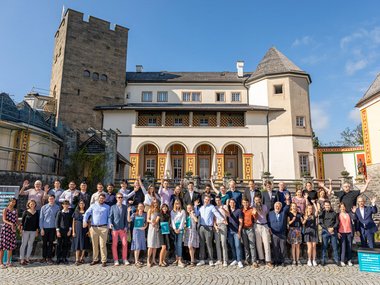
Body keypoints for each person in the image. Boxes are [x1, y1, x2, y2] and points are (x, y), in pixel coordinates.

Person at [195, 194, 225, 267]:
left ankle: (210, 260)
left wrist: (222, 219)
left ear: (210, 201)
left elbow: (216, 213)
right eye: (205, 199)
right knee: (202, 244)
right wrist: (195, 206)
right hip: (201, 227)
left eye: (208, 200)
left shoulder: (211, 207)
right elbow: (196, 214)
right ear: (203, 200)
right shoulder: (201, 207)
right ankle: (202, 259)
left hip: (209, 228)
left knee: (209, 244)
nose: (206, 201)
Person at [83, 193, 110, 267]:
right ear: (98, 198)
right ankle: (95, 259)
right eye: (100, 198)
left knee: (102, 245)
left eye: (103, 198)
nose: (101, 199)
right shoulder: (93, 206)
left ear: (104, 199)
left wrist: (109, 225)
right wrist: (85, 221)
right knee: (94, 245)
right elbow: (87, 213)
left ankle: (104, 260)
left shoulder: (107, 207)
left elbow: (109, 217)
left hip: (103, 228)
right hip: (94, 228)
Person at [268, 197, 290, 267]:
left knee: (282, 247)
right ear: (274, 207)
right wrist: (269, 228)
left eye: (279, 206)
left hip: (282, 233)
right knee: (275, 248)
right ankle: (276, 261)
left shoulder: (283, 212)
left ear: (281, 207)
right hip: (274, 233)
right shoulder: (270, 213)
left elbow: (287, 206)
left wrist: (287, 199)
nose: (277, 207)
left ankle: (282, 261)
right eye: (276, 206)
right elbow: (268, 222)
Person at [109, 193, 129, 266]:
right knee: (114, 244)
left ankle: (124, 259)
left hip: (122, 228)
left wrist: (126, 227)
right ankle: (116, 259)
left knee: (125, 244)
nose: (120, 199)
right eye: (119, 197)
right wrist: (110, 223)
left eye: (121, 197)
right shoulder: (113, 207)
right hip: (115, 228)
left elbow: (126, 218)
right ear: (116, 198)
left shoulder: (125, 207)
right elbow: (110, 217)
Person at [253, 196, 273, 268]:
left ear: (260, 200)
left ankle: (268, 260)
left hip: (265, 225)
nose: (257, 200)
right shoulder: (253, 207)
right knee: (258, 244)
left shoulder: (265, 206)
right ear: (254, 201)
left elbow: (266, 215)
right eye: (256, 200)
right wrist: (254, 213)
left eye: (258, 199)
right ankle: (261, 259)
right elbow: (254, 218)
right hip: (257, 225)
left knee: (266, 243)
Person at [39, 194, 60, 264]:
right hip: (45, 228)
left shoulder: (57, 207)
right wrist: (41, 229)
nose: (51, 200)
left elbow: (58, 219)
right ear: (48, 199)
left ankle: (49, 258)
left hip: (53, 228)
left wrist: (57, 229)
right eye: (50, 199)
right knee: (44, 243)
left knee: (51, 243)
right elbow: (41, 219)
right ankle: (44, 257)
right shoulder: (44, 207)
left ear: (54, 199)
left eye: (52, 199)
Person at [319, 200, 340, 266]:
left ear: (330, 205)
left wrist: (333, 228)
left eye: (328, 205)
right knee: (324, 246)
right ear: (324, 206)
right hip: (325, 231)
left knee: (335, 246)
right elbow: (321, 223)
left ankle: (336, 260)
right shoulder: (322, 213)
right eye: (326, 205)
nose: (327, 206)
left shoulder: (334, 213)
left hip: (333, 231)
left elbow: (337, 222)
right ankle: (323, 260)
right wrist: (327, 228)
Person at [19, 200, 39, 265]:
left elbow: (37, 223)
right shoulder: (25, 212)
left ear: (35, 205)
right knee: (23, 244)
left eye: (33, 204)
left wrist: (37, 231)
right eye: (31, 204)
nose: (32, 205)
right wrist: (21, 230)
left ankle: (27, 258)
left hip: (33, 231)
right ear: (28, 204)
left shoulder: (37, 212)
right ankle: (22, 259)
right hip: (25, 230)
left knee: (30, 244)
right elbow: (22, 222)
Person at [0, 198, 18, 269]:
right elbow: (4, 219)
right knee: (2, 247)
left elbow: (16, 220)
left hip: (12, 230)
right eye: (12, 202)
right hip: (6, 229)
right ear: (9, 202)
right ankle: (1, 263)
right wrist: (11, 224)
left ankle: (8, 262)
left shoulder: (15, 210)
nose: (13, 203)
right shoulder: (5, 209)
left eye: (14, 202)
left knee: (10, 247)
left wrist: (20, 225)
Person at [128, 203, 147, 267]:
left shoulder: (145, 214)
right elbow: (129, 220)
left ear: (144, 207)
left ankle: (137, 260)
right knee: (137, 246)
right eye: (139, 206)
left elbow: (146, 223)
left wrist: (145, 227)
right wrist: (128, 212)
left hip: (142, 231)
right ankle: (136, 261)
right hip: (136, 231)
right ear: (137, 207)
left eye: (142, 206)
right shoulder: (134, 214)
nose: (141, 207)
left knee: (140, 246)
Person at [72, 199, 90, 265]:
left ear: (84, 204)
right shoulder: (76, 211)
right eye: (80, 203)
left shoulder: (87, 212)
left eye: (83, 203)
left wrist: (89, 231)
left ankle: (82, 258)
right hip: (77, 229)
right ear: (78, 204)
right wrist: (73, 231)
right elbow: (73, 222)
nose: (81, 205)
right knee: (77, 244)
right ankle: (77, 259)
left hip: (85, 230)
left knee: (84, 244)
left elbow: (89, 222)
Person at [241, 198, 258, 267]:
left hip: (250, 229)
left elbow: (255, 218)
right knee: (246, 245)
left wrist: (255, 213)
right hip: (243, 229)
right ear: (242, 203)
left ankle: (254, 261)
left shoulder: (251, 210)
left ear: (248, 203)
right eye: (244, 202)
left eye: (246, 202)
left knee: (252, 245)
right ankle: (247, 260)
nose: (245, 204)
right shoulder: (241, 210)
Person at [227, 199, 244, 268]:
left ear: (235, 203)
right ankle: (235, 259)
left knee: (237, 246)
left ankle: (239, 260)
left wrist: (239, 231)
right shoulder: (228, 211)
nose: (232, 204)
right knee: (232, 246)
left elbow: (241, 222)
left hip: (236, 231)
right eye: (231, 202)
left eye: (233, 202)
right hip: (229, 231)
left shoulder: (238, 211)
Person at [55, 200, 73, 264]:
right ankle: (58, 258)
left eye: (67, 204)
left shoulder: (70, 212)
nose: (66, 205)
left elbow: (71, 222)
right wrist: (57, 231)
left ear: (68, 205)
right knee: (59, 244)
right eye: (64, 204)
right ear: (62, 205)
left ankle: (64, 258)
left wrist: (70, 230)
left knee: (66, 244)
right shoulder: (59, 212)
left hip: (67, 231)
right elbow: (57, 222)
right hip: (60, 231)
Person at [213, 196, 229, 267]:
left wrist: (223, 209)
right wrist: (215, 225)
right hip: (217, 226)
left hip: (223, 225)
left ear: (221, 200)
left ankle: (225, 260)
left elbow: (228, 215)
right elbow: (213, 218)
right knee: (217, 244)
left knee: (223, 243)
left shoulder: (225, 206)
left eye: (219, 200)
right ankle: (219, 260)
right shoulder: (214, 208)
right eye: (216, 200)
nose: (218, 201)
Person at [171, 199, 186, 267]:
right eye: (176, 203)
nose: (177, 205)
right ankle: (176, 259)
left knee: (179, 244)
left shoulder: (182, 211)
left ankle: (180, 260)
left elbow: (183, 220)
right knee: (175, 244)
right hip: (174, 229)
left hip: (180, 229)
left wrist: (179, 229)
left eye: (178, 203)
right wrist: (174, 229)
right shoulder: (172, 212)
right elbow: (172, 220)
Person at [146, 199, 161, 267]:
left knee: (155, 245)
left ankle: (153, 259)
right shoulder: (150, 210)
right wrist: (151, 222)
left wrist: (155, 222)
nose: (155, 204)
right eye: (154, 202)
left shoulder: (158, 210)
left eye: (156, 203)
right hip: (151, 228)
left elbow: (158, 218)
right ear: (152, 203)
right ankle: (148, 260)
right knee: (151, 245)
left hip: (156, 227)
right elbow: (147, 219)